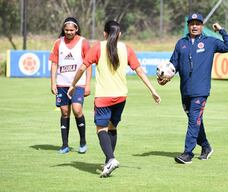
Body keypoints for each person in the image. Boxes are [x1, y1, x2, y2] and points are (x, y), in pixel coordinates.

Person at [67, 20, 161, 178]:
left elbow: (83, 67)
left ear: (104, 33)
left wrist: (73, 84)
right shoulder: (126, 49)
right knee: (112, 127)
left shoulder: (98, 47)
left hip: (104, 96)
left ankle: (110, 159)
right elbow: (139, 70)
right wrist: (153, 90)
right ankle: (108, 161)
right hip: (121, 96)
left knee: (101, 129)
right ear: (120, 34)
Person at [158, 13, 228, 164]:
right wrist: (165, 78)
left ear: (202, 26)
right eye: (191, 23)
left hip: (201, 90)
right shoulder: (181, 43)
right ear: (188, 25)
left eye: (197, 23)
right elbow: (173, 65)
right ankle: (206, 147)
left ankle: (187, 153)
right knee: (196, 121)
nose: (194, 26)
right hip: (185, 90)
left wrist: (221, 30)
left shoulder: (210, 42)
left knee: (193, 120)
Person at [49, 17, 91, 154]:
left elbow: (88, 65)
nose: (68, 32)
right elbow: (54, 63)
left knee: (77, 110)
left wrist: (88, 84)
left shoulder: (83, 42)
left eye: (71, 30)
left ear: (76, 29)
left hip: (78, 83)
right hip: (62, 83)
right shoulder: (58, 43)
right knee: (64, 112)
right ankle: (65, 145)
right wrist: (53, 82)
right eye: (66, 30)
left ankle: (83, 141)